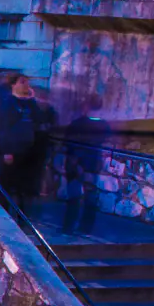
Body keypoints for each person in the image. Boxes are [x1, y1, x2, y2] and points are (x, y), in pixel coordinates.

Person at [0, 75, 53, 209]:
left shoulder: (29, 104)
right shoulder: (8, 103)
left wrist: (32, 100)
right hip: (12, 150)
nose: (26, 85)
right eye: (22, 82)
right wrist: (7, 150)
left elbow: (39, 119)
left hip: (27, 151)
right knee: (7, 185)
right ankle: (4, 211)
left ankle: (21, 215)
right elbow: (4, 127)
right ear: (13, 85)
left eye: (27, 82)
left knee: (23, 186)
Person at [59, 97, 112, 235]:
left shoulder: (77, 124)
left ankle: (69, 227)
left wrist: (74, 161)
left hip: (78, 163)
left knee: (75, 196)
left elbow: (68, 144)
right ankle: (84, 228)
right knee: (89, 197)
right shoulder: (103, 125)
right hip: (91, 164)